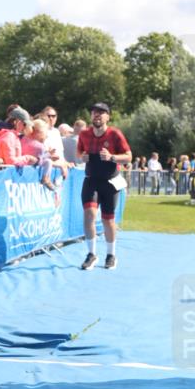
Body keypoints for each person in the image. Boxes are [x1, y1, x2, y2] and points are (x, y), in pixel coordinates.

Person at [76, 102, 132, 271]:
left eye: (101, 112)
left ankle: (111, 254)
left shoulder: (115, 134)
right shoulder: (84, 134)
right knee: (89, 215)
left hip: (110, 181)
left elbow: (129, 156)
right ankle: (91, 254)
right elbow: (79, 153)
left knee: (108, 220)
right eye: (94, 112)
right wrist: (82, 157)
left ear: (108, 116)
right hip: (91, 179)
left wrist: (112, 157)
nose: (97, 115)